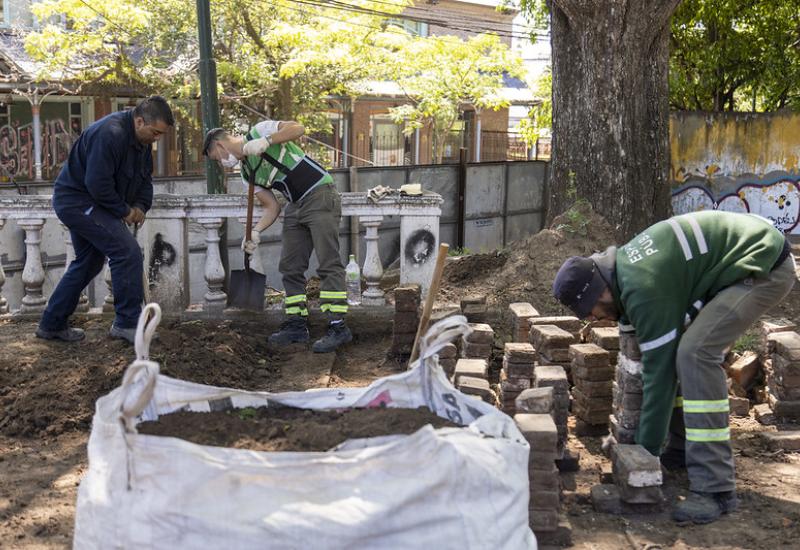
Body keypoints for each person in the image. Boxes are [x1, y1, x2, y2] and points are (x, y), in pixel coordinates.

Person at [552, 210, 795, 524]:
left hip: (762, 266)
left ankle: (715, 488)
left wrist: (644, 453)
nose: (595, 320)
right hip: (737, 259)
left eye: (592, 311)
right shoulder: (624, 271)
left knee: (694, 354)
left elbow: (659, 374)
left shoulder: (643, 288)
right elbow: (642, 342)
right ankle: (681, 448)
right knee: (681, 349)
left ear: (601, 290)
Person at [202, 119, 352, 353]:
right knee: (290, 267)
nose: (222, 164)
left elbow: (299, 128)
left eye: (217, 158)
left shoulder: (259, 131)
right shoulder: (246, 173)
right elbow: (272, 207)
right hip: (295, 205)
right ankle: (296, 325)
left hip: (320, 194)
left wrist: (266, 141)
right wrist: (255, 231)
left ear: (220, 145)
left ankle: (338, 326)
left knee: (328, 263)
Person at [36, 96, 174, 344]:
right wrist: (125, 211)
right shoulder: (110, 133)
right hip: (77, 201)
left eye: (160, 134)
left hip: (95, 203)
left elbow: (145, 181)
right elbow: (97, 185)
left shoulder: (141, 141)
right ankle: (126, 323)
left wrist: (141, 206)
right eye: (155, 132)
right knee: (127, 252)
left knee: (89, 261)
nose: (157, 139)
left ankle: (51, 323)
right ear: (139, 120)